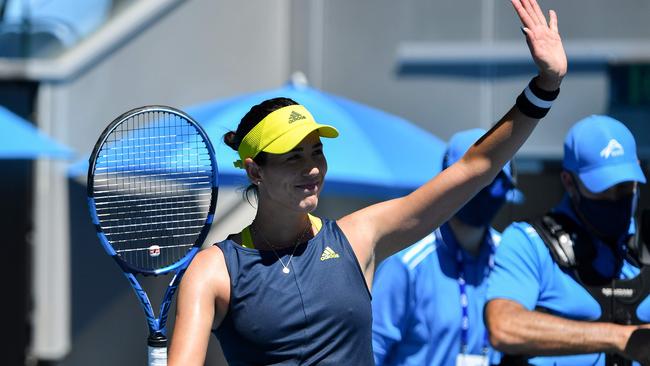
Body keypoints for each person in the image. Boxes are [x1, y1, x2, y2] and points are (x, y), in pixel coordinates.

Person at [168, 0, 567, 364]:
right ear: (256, 171)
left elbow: (473, 169)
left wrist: (545, 87)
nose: (311, 169)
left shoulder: (358, 237)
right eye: (293, 158)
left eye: (316, 153)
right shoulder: (213, 271)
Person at [484, 115, 650, 366]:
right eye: (602, 189)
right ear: (569, 182)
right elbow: (504, 326)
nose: (615, 198)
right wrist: (621, 338)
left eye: (625, 187)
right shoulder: (528, 243)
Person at [372, 128, 521, 366]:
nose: (484, 189)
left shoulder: (513, 258)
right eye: (475, 180)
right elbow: (371, 350)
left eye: (495, 181)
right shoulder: (409, 263)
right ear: (447, 180)